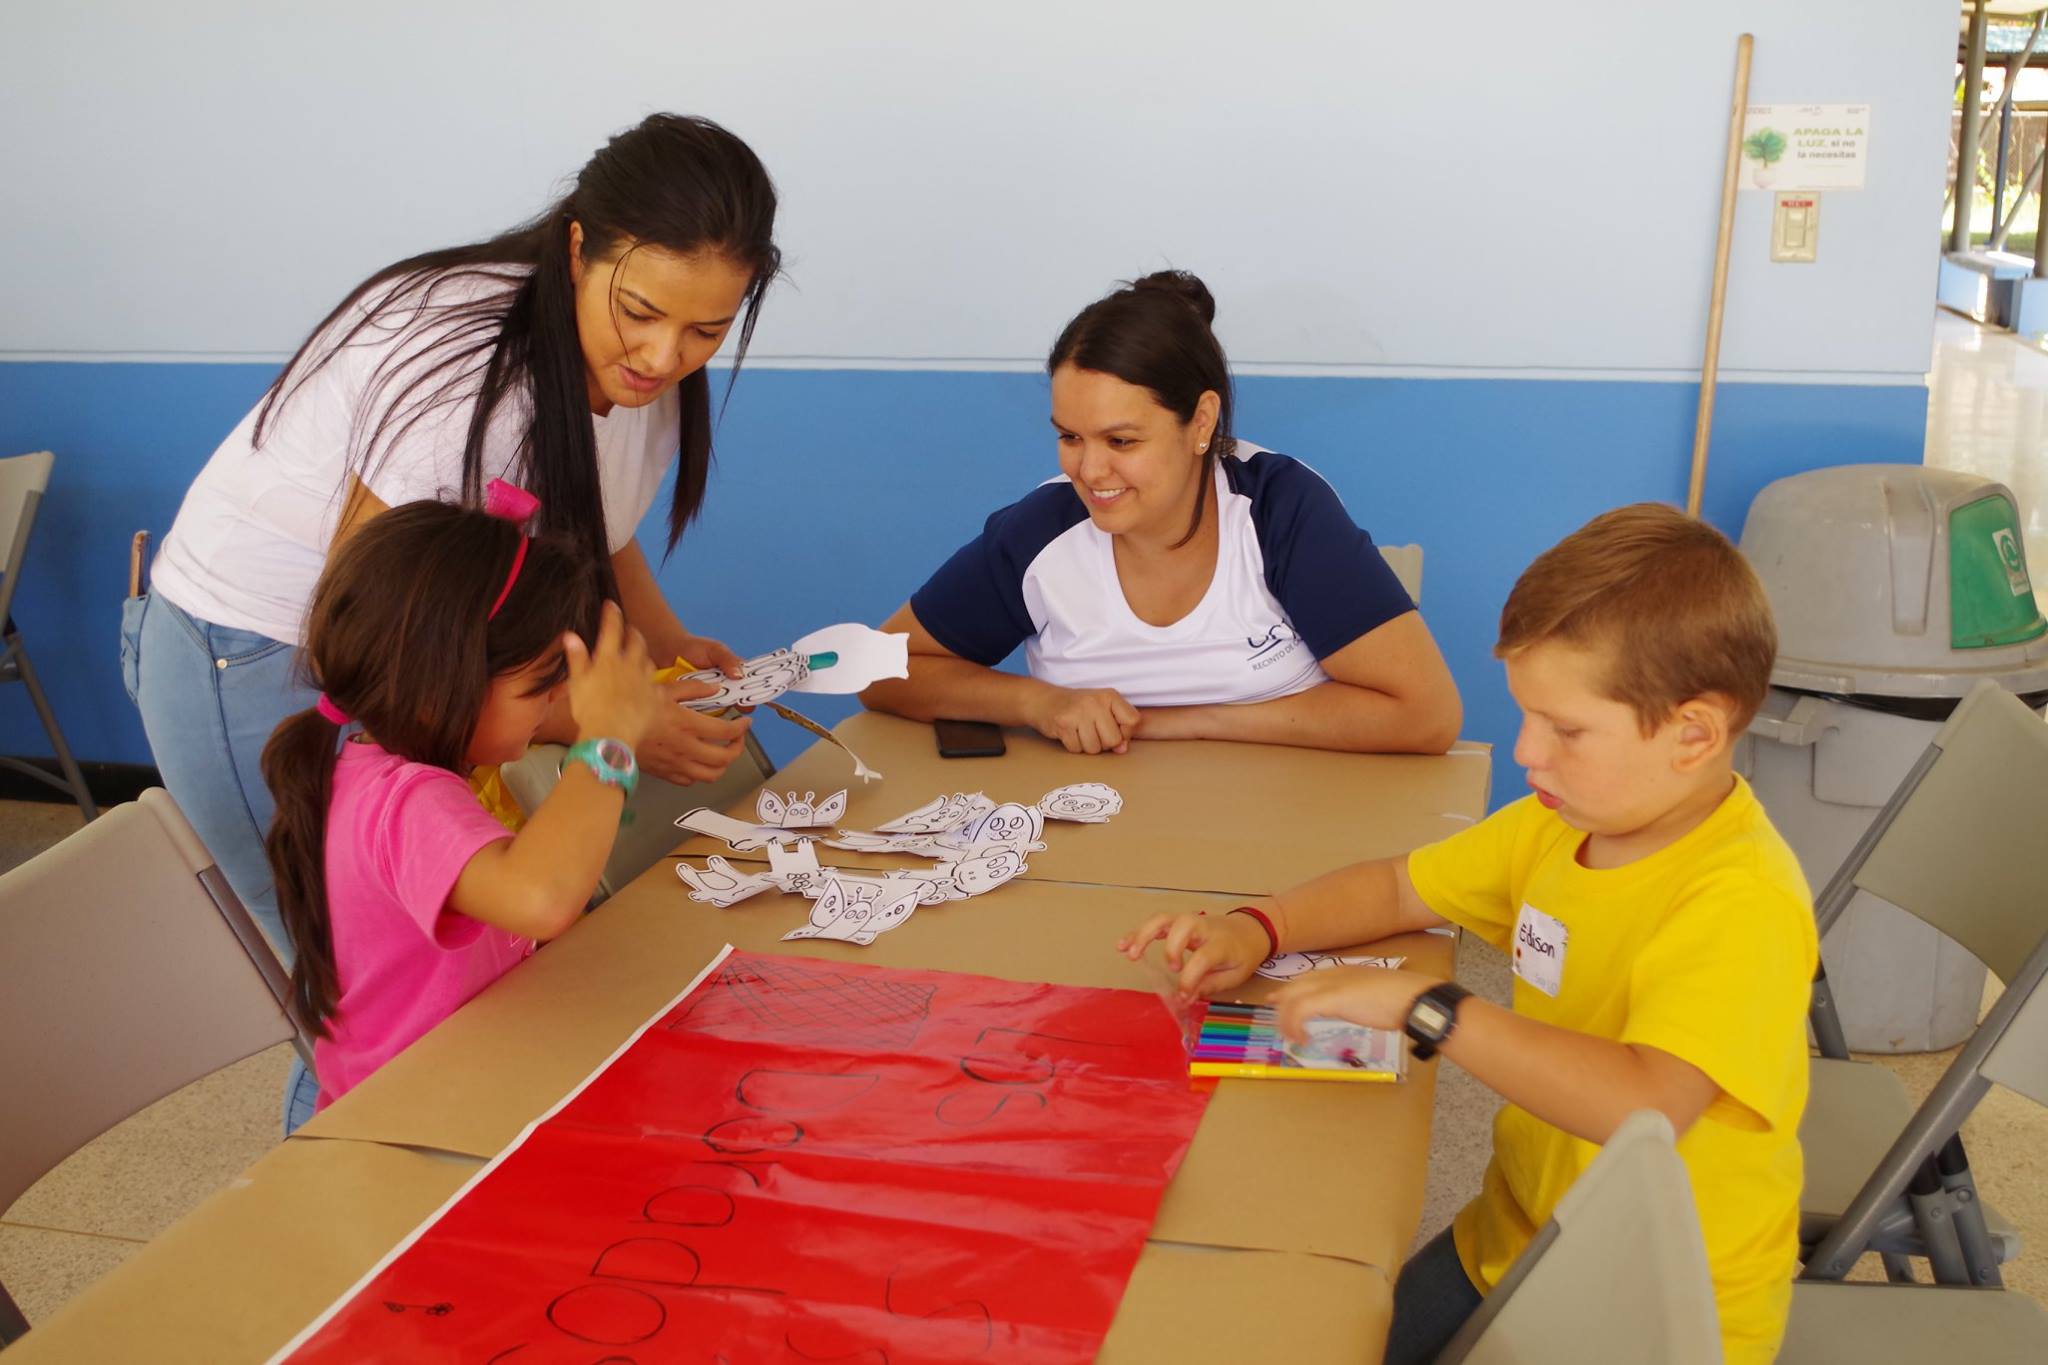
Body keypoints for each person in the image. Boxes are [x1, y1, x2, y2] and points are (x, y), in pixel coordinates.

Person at [120, 114, 777, 1126]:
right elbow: (388, 636)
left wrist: (658, 641)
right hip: (260, 656)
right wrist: (607, 727)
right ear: (576, 246)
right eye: (642, 313)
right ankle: (335, 1234)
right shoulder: (471, 378)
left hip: (401, 678)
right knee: (360, 1004)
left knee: (454, 987)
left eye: (705, 331)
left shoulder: (618, 358)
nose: (663, 356)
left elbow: (590, 516)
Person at [1119, 503, 1817, 1365]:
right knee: (1334, 1328)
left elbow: (1646, 1106)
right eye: (1527, 714)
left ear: (1694, 732)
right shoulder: (1560, 822)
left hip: (1650, 1306)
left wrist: (1431, 1005)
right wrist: (1259, 927)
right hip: (1517, 1229)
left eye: (1566, 729)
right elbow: (1397, 884)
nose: (1526, 751)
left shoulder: (1741, 899)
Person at [860, 271, 1460, 755]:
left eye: (1122, 442)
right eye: (1070, 437)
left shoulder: (1280, 511)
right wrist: (1036, 704)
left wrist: (1178, 723)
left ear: (1200, 422)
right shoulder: (1042, 532)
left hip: (1293, 817)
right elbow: (881, 670)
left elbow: (1426, 715)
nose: (1090, 472)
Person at [262, 491, 659, 1119]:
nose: (560, 697)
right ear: (444, 686)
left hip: (475, 1078)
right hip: (409, 1129)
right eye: (542, 682)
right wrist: (607, 744)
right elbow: (539, 899)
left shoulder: (400, 771)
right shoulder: (404, 800)